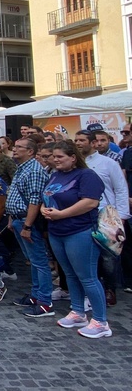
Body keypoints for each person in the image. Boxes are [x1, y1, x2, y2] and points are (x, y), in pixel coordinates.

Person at [41, 141, 111, 338]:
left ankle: (100, 321)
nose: (55, 159)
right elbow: (46, 197)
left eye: (60, 156)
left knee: (87, 276)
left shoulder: (86, 175)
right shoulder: (55, 175)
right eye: (54, 156)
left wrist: (61, 214)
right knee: (70, 274)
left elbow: (90, 202)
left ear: (73, 157)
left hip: (79, 231)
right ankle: (78, 311)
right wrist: (43, 210)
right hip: (57, 230)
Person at [75, 130, 129, 306]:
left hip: (106, 214)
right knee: (86, 254)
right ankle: (90, 289)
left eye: (82, 140)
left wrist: (122, 215)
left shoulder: (108, 163)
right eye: (76, 140)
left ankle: (109, 289)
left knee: (108, 256)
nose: (78, 143)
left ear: (93, 143)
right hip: (81, 215)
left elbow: (120, 189)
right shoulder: (75, 164)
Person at [7, 137, 53, 318]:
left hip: (27, 221)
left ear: (30, 152)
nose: (15, 149)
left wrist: (27, 225)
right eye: (15, 146)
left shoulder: (33, 170)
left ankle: (44, 301)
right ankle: (35, 295)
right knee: (33, 261)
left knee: (39, 261)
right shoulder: (22, 168)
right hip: (19, 219)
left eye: (19, 147)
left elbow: (35, 200)